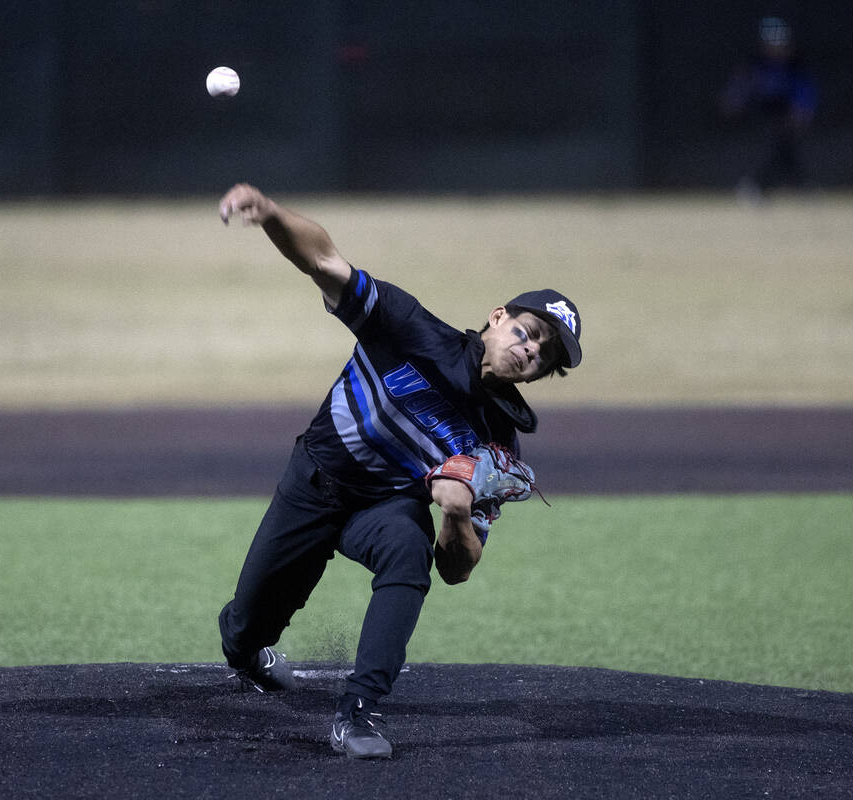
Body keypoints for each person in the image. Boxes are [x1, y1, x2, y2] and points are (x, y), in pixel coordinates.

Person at [214, 183, 582, 759]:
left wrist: (456, 518)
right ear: (497, 317)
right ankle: (250, 646)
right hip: (314, 482)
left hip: (382, 507)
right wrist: (271, 215)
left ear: (539, 377)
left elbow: (458, 569)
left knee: (410, 552)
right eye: (526, 331)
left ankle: (358, 713)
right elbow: (324, 260)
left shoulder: (496, 448)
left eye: (544, 356)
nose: (530, 350)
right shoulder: (411, 329)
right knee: (243, 634)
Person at [719, 16, 819, 197]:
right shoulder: (755, 64)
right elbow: (740, 89)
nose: (777, 48)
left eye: (781, 44)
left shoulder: (795, 66)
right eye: (772, 44)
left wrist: (802, 111)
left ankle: (779, 185)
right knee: (775, 147)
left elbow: (804, 92)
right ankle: (795, 185)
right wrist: (734, 101)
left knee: (783, 147)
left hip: (785, 114)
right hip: (760, 115)